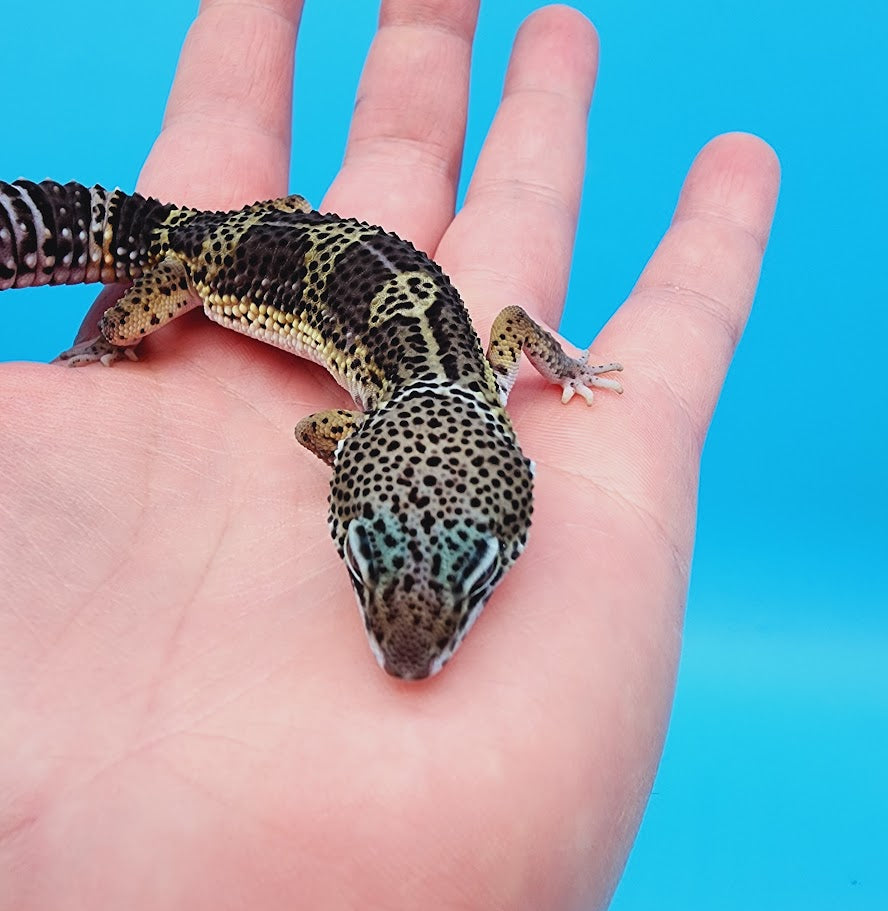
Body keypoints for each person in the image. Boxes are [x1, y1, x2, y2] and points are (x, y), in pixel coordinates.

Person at [0, 1, 779, 908]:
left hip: (278, 234)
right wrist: (114, 339)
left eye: (470, 577)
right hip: (199, 254)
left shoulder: (467, 397)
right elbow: (326, 425)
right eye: (373, 564)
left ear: (515, 508)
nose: (410, 645)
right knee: (156, 301)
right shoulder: (414, 406)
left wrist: (562, 365)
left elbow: (510, 331)